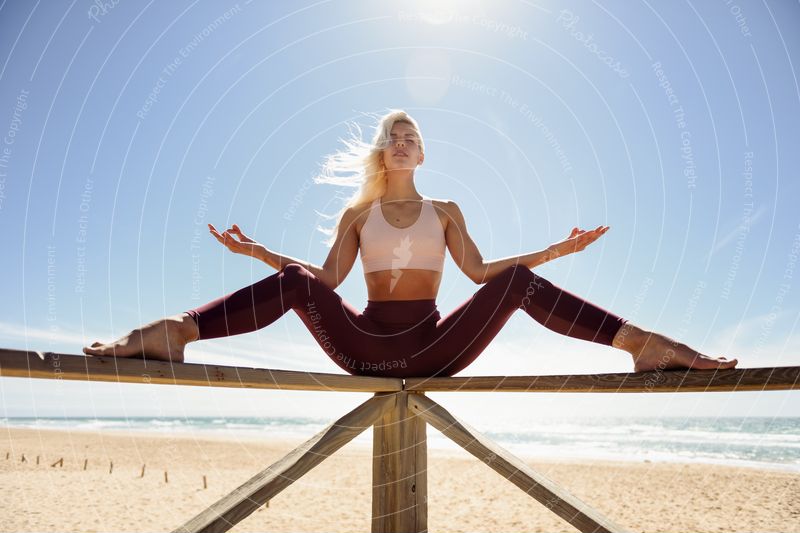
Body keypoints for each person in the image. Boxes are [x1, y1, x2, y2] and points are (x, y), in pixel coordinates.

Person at [83, 110, 738, 377]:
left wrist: (552, 253)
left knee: (515, 283)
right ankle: (179, 331)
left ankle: (639, 344)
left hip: (434, 345)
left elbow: (482, 273)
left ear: (423, 151)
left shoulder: (446, 209)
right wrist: (259, 253)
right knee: (292, 278)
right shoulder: (357, 214)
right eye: (392, 133)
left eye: (412, 134)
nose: (402, 139)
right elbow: (326, 283)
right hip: (363, 346)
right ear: (382, 150)